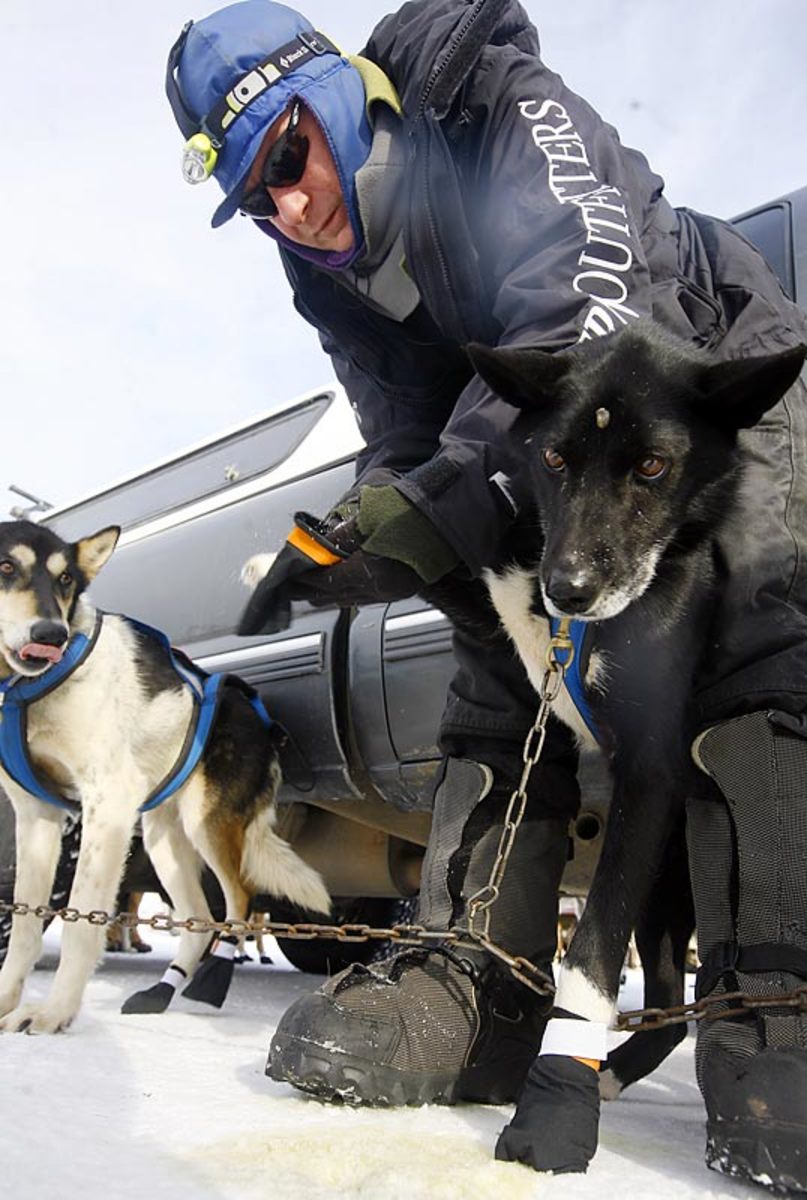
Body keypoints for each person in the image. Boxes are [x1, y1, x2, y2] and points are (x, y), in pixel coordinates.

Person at [166, 0, 807, 1189]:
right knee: (485, 625)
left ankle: (773, 996)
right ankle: (483, 976)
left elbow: (588, 305)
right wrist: (371, 528)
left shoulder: (496, 104)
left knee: (752, 636)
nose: (288, 207)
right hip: (542, 440)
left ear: (340, 95)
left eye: (289, 155)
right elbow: (403, 428)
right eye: (255, 197)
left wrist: (437, 496)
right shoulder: (325, 274)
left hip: (700, 376)